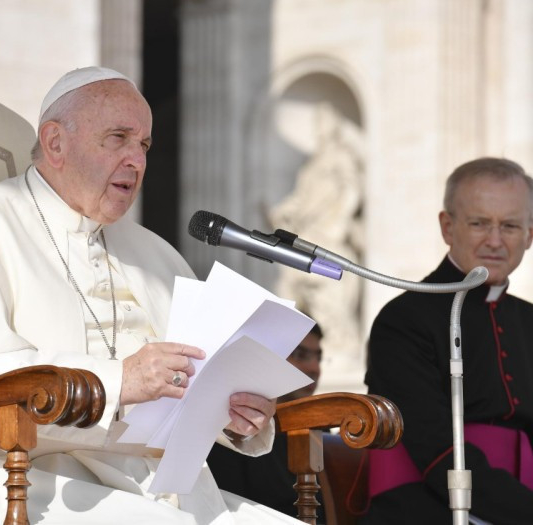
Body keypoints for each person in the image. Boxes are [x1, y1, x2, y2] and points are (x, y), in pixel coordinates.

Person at [0, 67, 303, 524]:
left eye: (144, 145)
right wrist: (116, 381)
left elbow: (190, 381)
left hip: (159, 489)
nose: (136, 160)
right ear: (55, 143)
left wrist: (234, 414)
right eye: (118, 137)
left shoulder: (155, 252)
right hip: (12, 483)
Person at [363, 158, 533, 524]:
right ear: (447, 226)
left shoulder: (529, 321)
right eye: (479, 223)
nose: (495, 240)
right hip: (427, 509)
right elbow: (436, 450)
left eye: (510, 226)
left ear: (530, 235)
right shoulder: (404, 319)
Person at [207, 324, 325, 521]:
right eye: (300, 355)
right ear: (269, 358)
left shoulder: (323, 431)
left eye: (318, 358)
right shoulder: (230, 429)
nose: (315, 368)